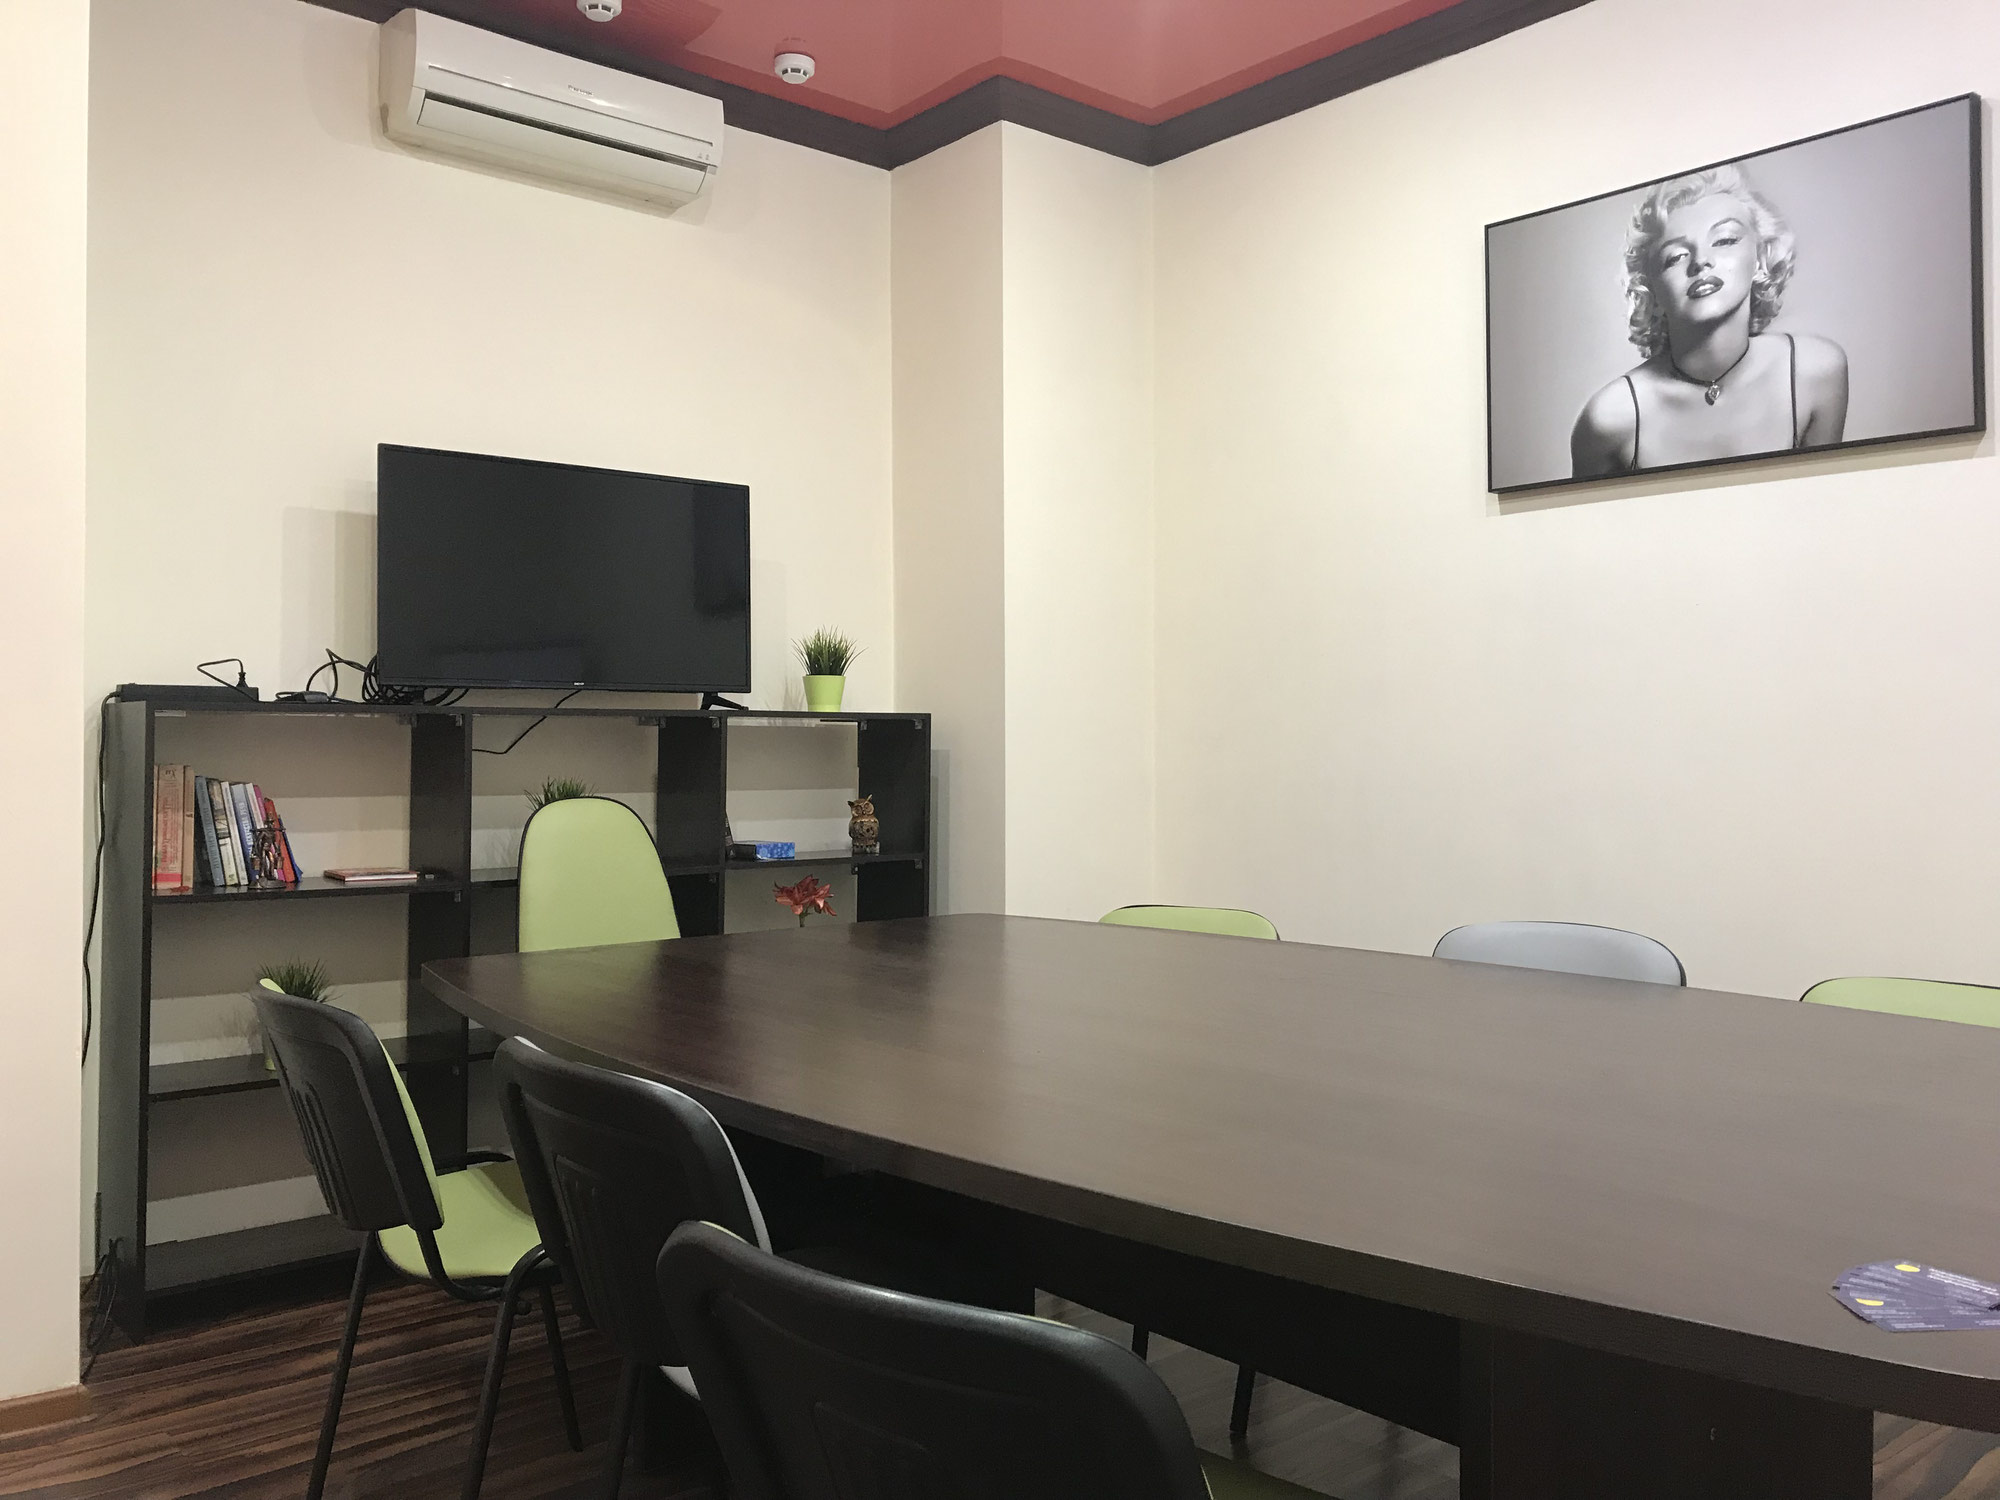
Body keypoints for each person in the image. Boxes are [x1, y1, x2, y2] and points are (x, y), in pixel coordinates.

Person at [1572, 165, 1847, 478]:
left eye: (1724, 240)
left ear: (1761, 257)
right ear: (1651, 290)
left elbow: (1822, 497)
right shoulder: (1610, 417)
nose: (1701, 261)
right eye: (1675, 256)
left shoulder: (1815, 371)